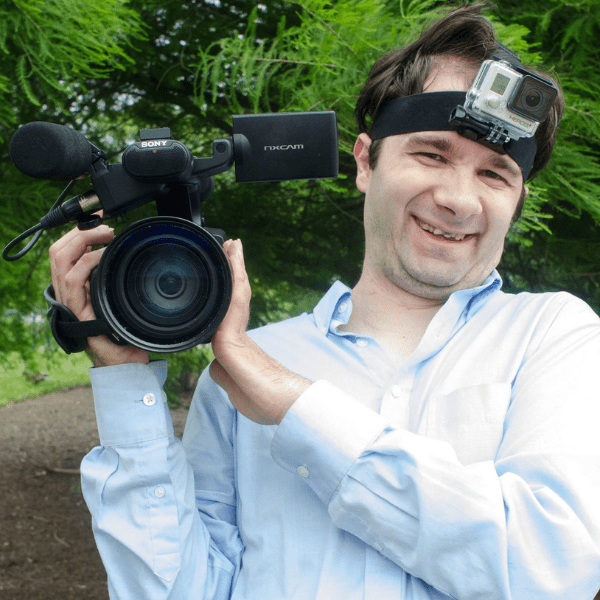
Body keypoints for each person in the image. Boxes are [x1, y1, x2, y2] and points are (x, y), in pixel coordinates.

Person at [49, 4, 600, 599]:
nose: (459, 199)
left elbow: (553, 570)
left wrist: (293, 405)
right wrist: (128, 385)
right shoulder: (241, 368)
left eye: (495, 174)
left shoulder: (555, 335)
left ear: (515, 203)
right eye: (432, 154)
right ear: (365, 160)